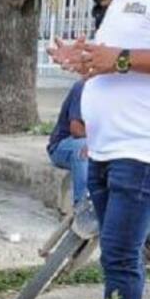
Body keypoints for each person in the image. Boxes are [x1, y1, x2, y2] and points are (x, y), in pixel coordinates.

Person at [49, 0, 150, 299]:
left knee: (121, 256)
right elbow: (113, 62)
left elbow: (125, 59)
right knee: (115, 256)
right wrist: (84, 58)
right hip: (105, 147)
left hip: (139, 149)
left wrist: (120, 59)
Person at [46, 80, 87, 208]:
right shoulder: (84, 86)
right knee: (83, 148)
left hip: (101, 144)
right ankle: (82, 209)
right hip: (64, 145)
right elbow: (77, 129)